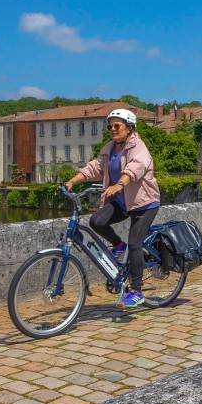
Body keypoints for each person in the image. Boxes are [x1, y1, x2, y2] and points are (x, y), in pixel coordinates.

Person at [64, 108, 161, 309]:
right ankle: (118, 246)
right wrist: (72, 181)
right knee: (96, 221)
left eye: (117, 125)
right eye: (110, 126)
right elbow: (95, 168)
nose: (112, 129)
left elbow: (135, 168)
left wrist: (119, 184)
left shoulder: (138, 146)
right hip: (123, 201)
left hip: (144, 203)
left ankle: (136, 291)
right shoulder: (110, 148)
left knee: (135, 242)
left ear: (129, 127)